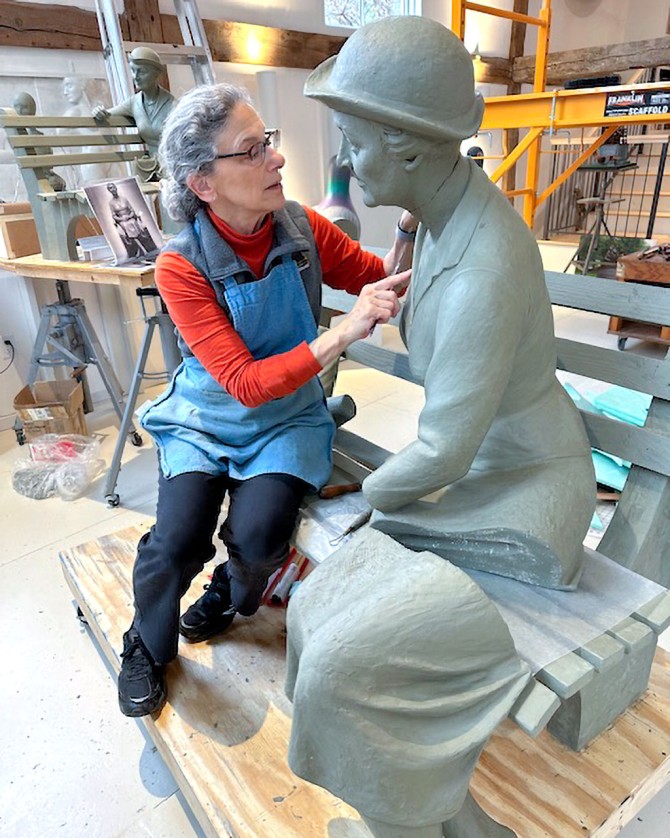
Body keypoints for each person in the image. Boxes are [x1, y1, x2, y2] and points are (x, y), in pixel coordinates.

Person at [285, 15, 597, 838]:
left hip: (525, 494)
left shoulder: (483, 265)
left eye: (353, 140)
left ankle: (414, 825)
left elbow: (443, 448)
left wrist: (362, 495)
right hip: (474, 475)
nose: (345, 161)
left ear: (414, 149)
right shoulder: (436, 218)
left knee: (348, 662)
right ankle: (438, 819)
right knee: (318, 616)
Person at [116, 81, 415, 719]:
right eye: (251, 151)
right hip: (207, 417)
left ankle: (231, 591)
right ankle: (144, 643)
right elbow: (244, 382)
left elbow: (378, 277)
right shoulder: (181, 266)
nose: (275, 160)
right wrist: (341, 332)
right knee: (177, 540)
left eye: (268, 144)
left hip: (285, 422)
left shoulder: (302, 228)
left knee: (257, 542)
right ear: (204, 183)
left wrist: (414, 224)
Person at [93, 47, 175, 181]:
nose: (136, 76)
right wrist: (99, 112)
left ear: (156, 73)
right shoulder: (134, 103)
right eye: (133, 70)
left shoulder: (172, 105)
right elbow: (108, 113)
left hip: (173, 166)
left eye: (142, 71)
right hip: (151, 167)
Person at [106, 181, 158, 257]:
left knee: (133, 223)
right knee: (126, 225)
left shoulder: (124, 199)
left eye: (113, 187)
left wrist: (129, 216)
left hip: (130, 218)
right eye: (110, 188)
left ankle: (147, 248)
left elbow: (132, 210)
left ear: (116, 188)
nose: (113, 189)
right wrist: (122, 218)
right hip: (122, 221)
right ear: (109, 191)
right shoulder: (111, 203)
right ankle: (139, 251)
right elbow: (114, 216)